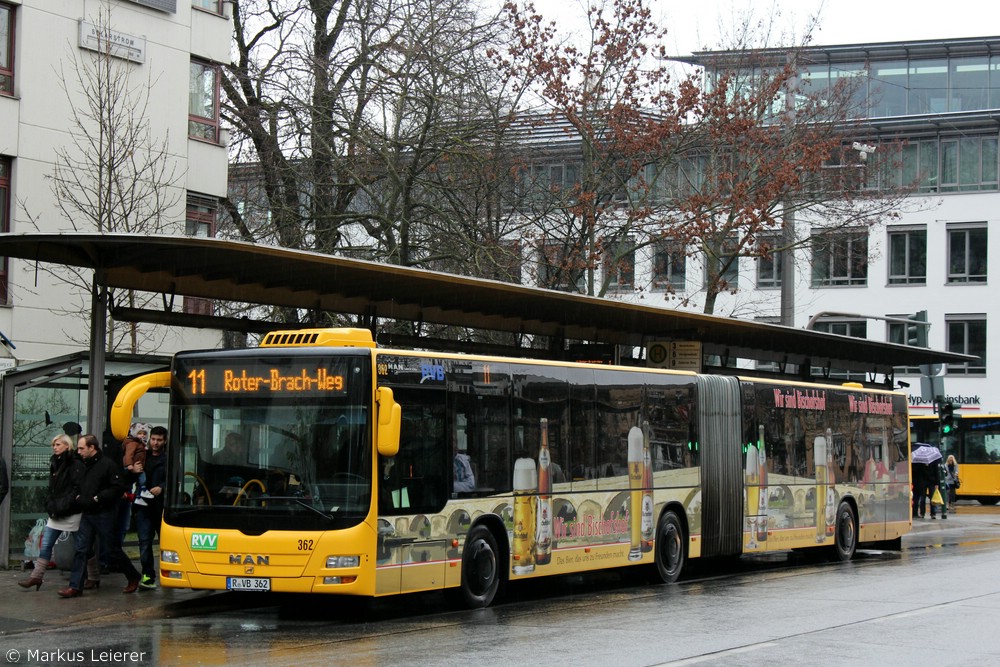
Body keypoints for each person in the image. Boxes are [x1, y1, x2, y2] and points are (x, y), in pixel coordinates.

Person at [58, 434, 140, 598]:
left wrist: (98, 498)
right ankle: (75, 586)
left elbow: (118, 487)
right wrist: (79, 498)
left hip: (104, 513)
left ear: (92, 448)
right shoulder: (82, 464)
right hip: (87, 513)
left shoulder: (107, 465)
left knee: (111, 550)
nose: (79, 451)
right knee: (81, 550)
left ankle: (132, 575)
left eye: (82, 448)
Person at [18, 434, 84, 590]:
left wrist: (64, 503)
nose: (55, 447)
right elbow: (52, 487)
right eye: (53, 444)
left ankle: (93, 575)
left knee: (82, 545)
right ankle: (36, 576)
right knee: (46, 544)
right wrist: (50, 504)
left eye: (58, 444)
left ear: (67, 446)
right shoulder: (55, 462)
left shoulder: (75, 463)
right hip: (56, 511)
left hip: (71, 511)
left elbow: (76, 487)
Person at [133, 426, 167, 590]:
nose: (155, 443)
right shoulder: (143, 456)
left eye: (159, 440)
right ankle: (147, 575)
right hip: (144, 506)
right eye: (153, 439)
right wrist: (134, 470)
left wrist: (162, 487)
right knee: (144, 542)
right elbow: (130, 475)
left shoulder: (169, 459)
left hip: (162, 508)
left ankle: (168, 573)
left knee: (165, 543)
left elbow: (176, 479)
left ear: (164, 441)